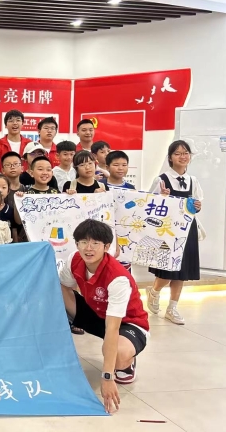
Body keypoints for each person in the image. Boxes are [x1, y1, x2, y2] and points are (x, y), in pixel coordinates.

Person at [59, 219, 149, 412]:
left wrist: (107, 376)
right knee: (56, 289)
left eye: (95, 243)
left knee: (118, 355)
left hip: (127, 323)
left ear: (106, 247)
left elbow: (113, 327)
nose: (88, 248)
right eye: (83, 242)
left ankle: (127, 361)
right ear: (77, 244)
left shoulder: (117, 277)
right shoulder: (74, 260)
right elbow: (64, 287)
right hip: (96, 313)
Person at [146, 140, 203, 325]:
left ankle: (172, 308)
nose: (182, 156)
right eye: (177, 153)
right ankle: (154, 292)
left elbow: (196, 204)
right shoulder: (161, 179)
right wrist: (162, 198)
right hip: (168, 231)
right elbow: (148, 205)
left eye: (185, 153)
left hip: (187, 229)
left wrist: (197, 206)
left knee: (182, 270)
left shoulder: (193, 181)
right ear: (170, 157)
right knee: (167, 270)